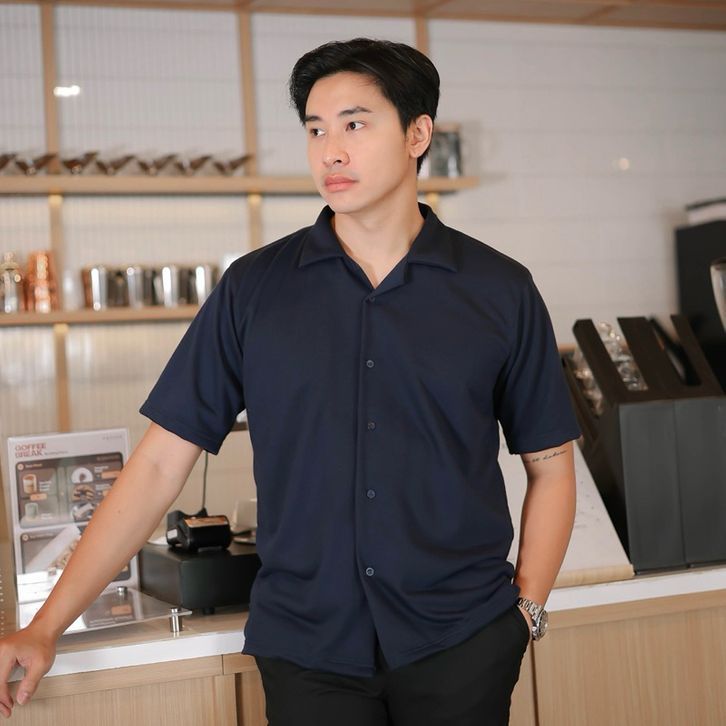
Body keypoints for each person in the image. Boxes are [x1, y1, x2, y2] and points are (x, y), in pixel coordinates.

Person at [0, 38, 580, 725]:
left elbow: (551, 466)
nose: (330, 151)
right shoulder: (254, 289)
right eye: (315, 130)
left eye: (354, 125)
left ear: (417, 134)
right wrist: (46, 626)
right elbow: (156, 467)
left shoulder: (499, 289)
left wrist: (525, 613)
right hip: (307, 650)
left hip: (462, 641)